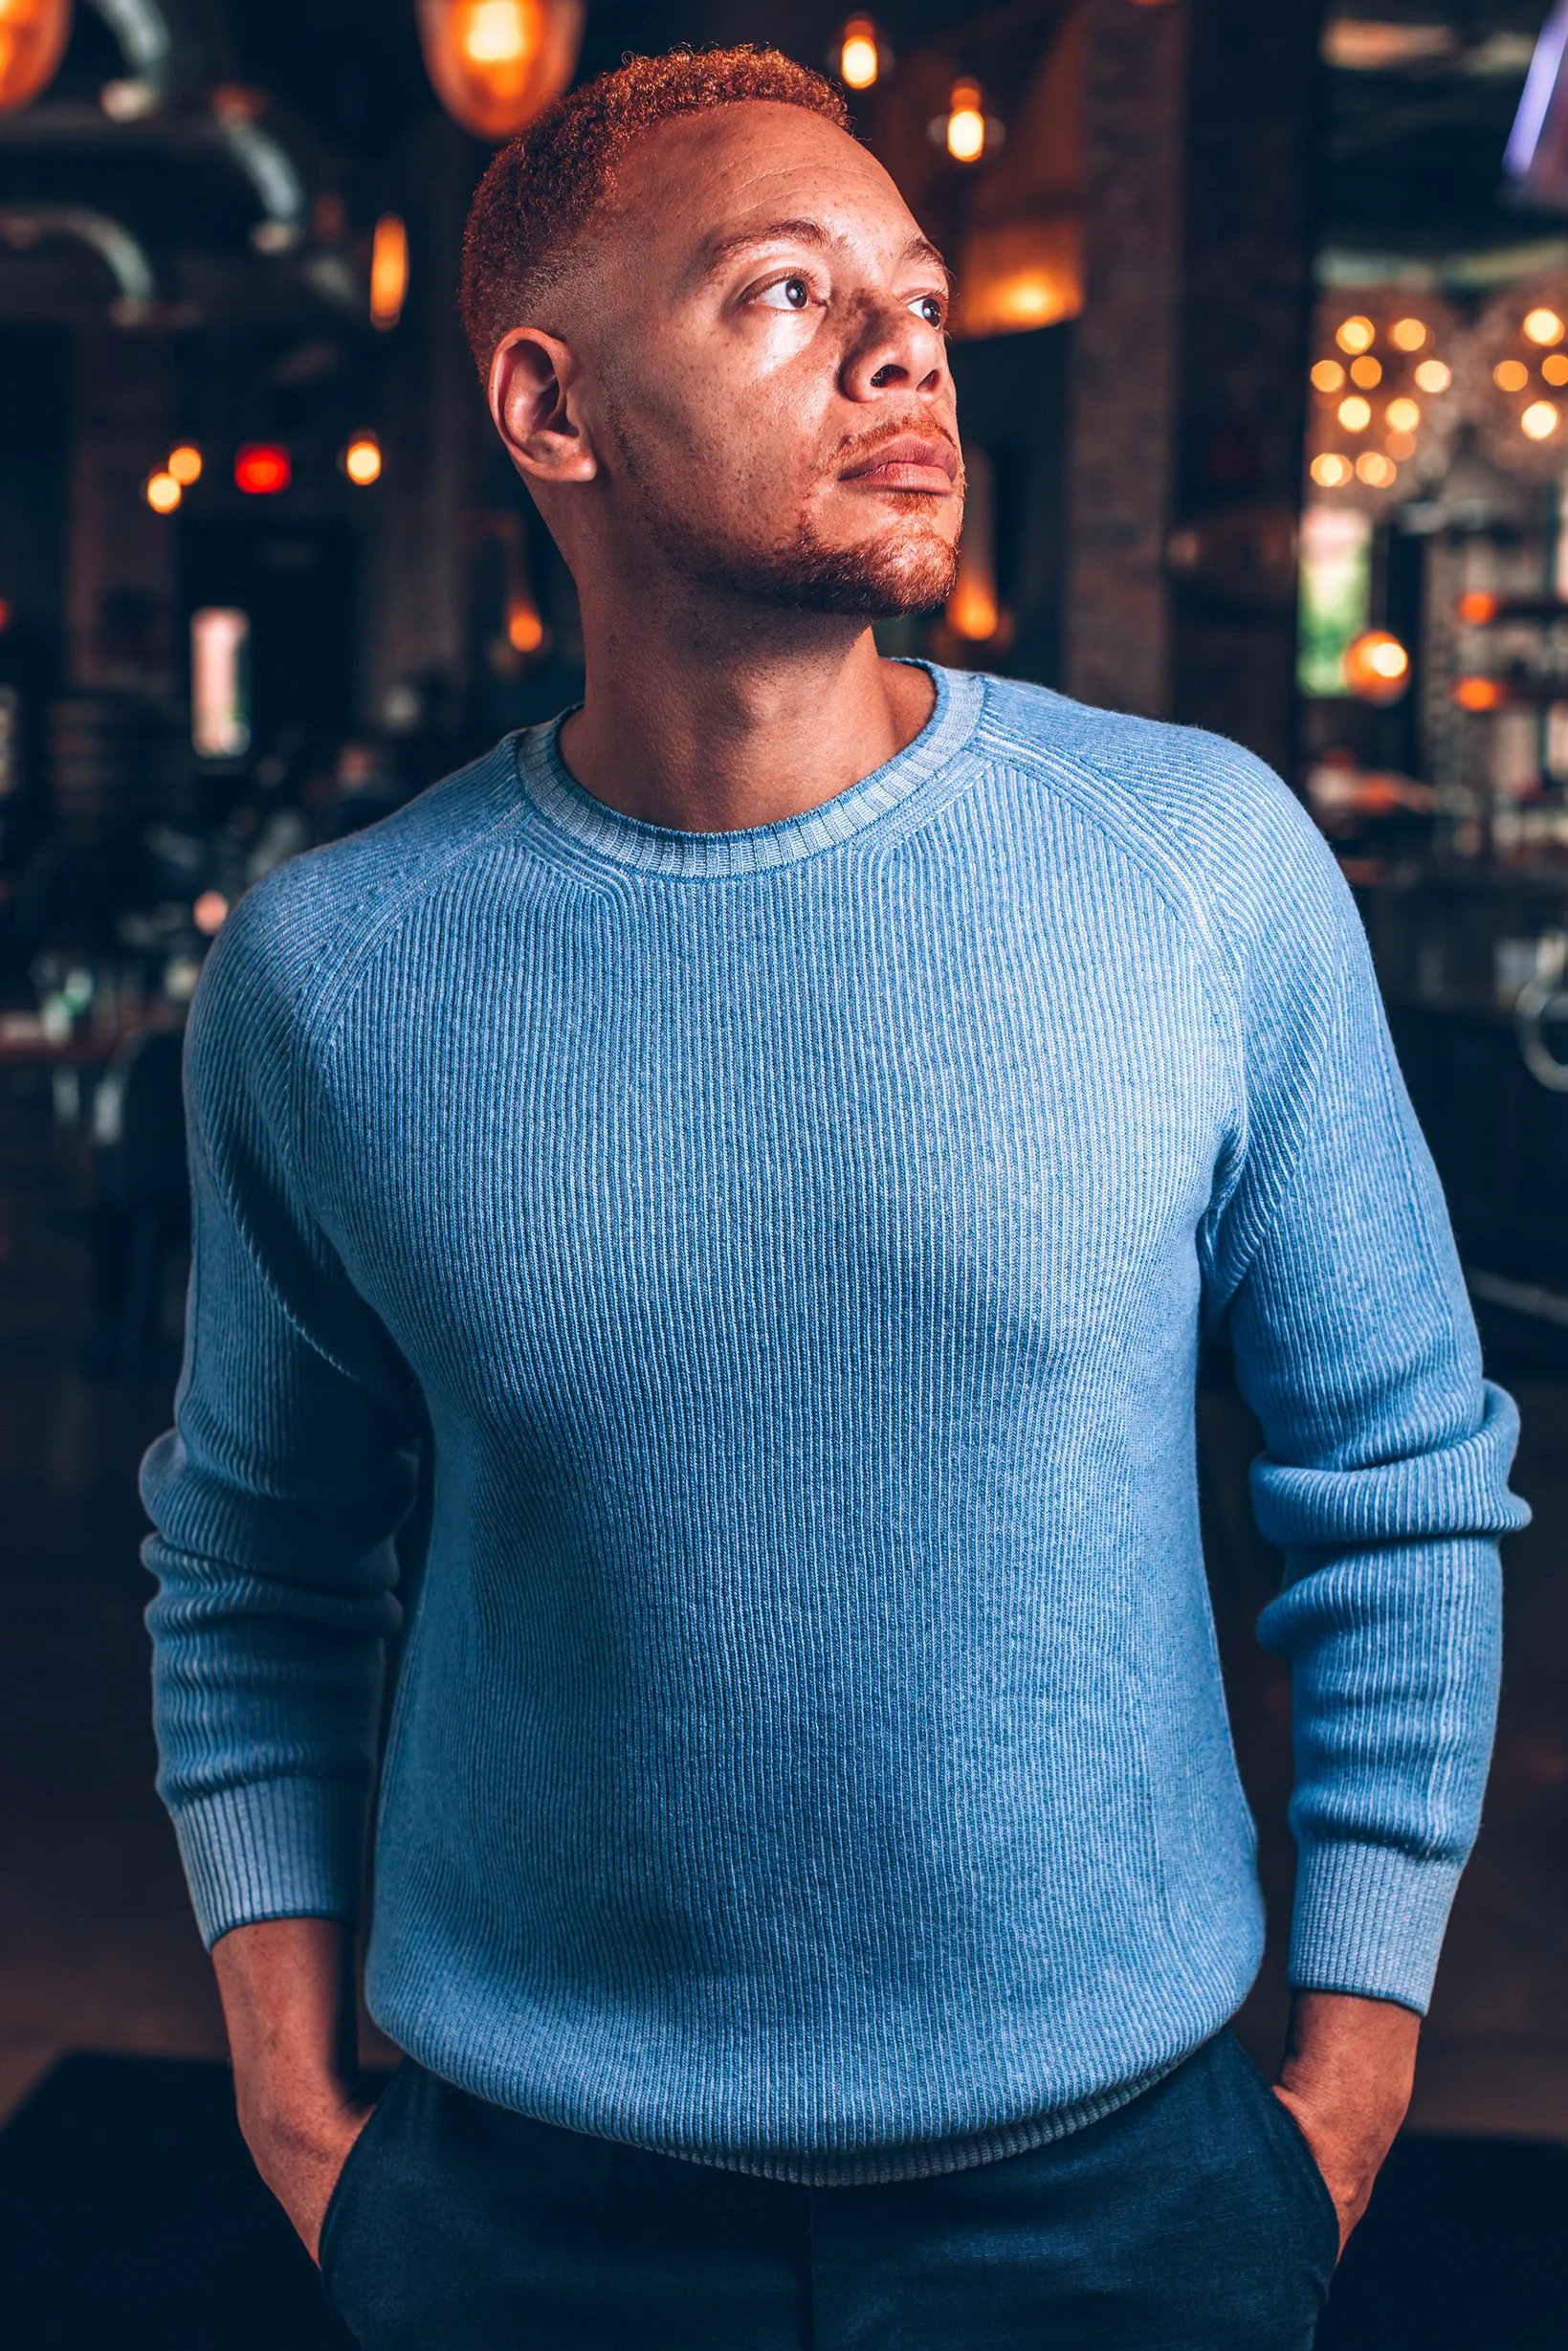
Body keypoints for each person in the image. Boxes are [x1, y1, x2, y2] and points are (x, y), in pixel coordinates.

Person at [141, 47, 1526, 2351]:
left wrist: (1350, 2081)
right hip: (525, 2222)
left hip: (1134, 2205)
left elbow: (1395, 1480)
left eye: (920, 297)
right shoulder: (335, 975)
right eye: (789, 293)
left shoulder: (1199, 867)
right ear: (551, 405)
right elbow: (254, 1570)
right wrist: (297, 2113)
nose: (906, 350)